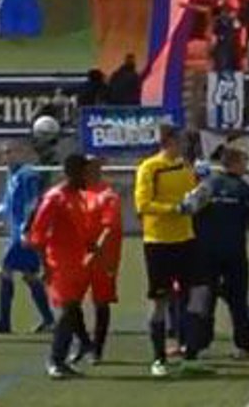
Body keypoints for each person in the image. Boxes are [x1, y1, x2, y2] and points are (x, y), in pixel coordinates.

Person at [134, 125, 214, 377]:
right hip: (158, 241)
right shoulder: (150, 167)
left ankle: (190, 354)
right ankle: (159, 359)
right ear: (168, 142)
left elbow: (193, 197)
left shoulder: (185, 167)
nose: (184, 146)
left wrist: (203, 190)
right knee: (160, 300)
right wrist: (175, 209)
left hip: (186, 239)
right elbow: (143, 204)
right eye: (179, 141)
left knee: (199, 293)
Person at [25, 154, 94, 379]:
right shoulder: (55, 198)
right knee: (67, 310)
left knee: (73, 310)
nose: (88, 176)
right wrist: (44, 265)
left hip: (78, 263)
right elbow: (37, 234)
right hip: (59, 264)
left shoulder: (79, 196)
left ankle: (76, 350)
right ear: (73, 173)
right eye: (85, 172)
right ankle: (55, 360)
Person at [193, 145, 249, 359]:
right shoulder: (244, 189)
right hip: (234, 252)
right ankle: (243, 347)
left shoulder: (206, 185)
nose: (246, 167)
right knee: (239, 300)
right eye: (244, 162)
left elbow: (189, 210)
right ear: (234, 163)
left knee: (206, 299)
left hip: (206, 252)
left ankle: (201, 346)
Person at [0, 141, 54, 334]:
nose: (6, 156)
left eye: (9, 152)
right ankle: (48, 320)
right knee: (29, 275)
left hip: (23, 234)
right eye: (4, 153)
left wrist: (26, 228)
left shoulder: (28, 174)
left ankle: (4, 322)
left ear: (19, 153)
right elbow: (6, 204)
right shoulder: (11, 175)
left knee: (4, 270)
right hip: (17, 232)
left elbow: (33, 203)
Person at [73, 154, 122, 365]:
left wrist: (95, 251)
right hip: (77, 256)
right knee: (70, 302)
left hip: (103, 258)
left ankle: (97, 349)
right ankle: (84, 342)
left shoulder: (108, 196)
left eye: (92, 167)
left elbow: (108, 228)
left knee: (101, 302)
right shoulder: (76, 193)